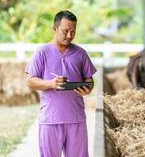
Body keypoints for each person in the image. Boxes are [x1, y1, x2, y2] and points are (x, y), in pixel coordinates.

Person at [25, 10, 97, 157]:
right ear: (54, 29)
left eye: (73, 31)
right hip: (50, 120)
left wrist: (87, 89)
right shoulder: (42, 52)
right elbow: (31, 80)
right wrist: (51, 84)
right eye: (65, 31)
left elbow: (90, 81)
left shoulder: (81, 53)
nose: (69, 35)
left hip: (76, 119)